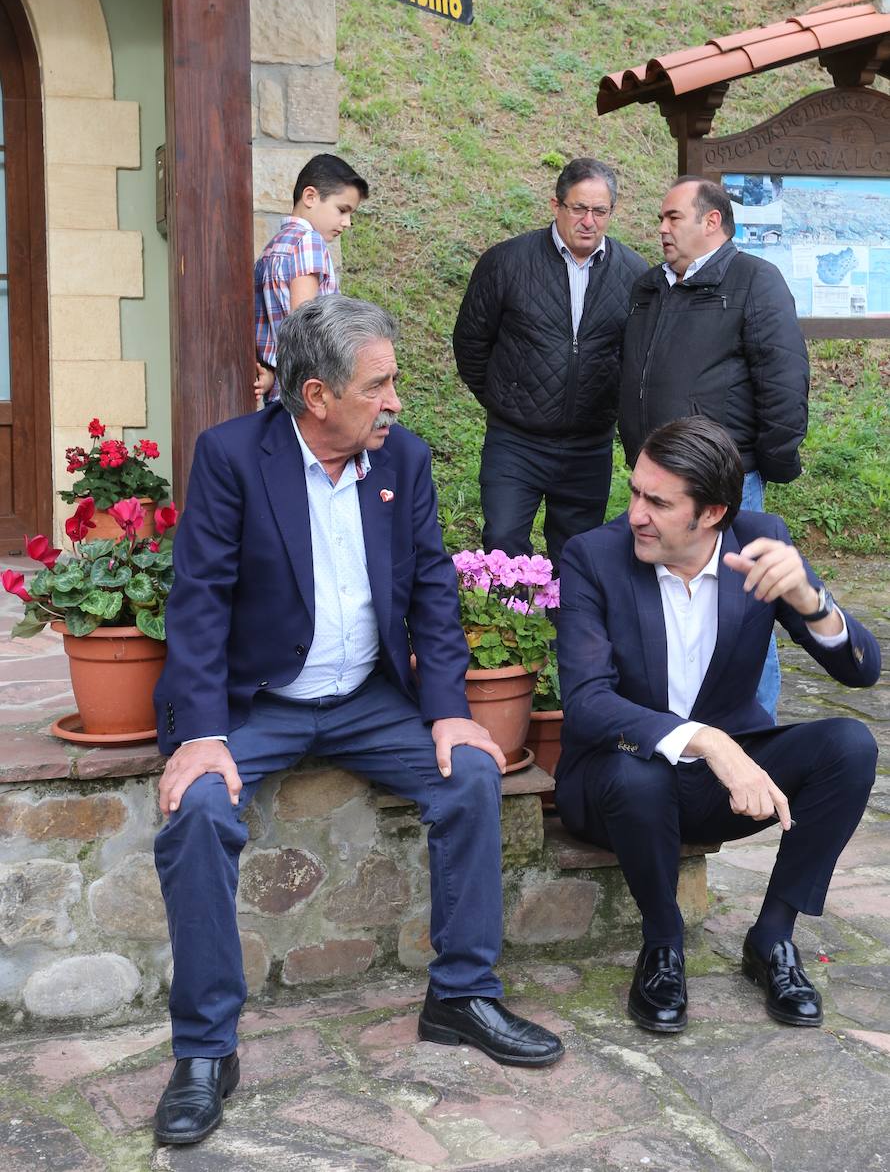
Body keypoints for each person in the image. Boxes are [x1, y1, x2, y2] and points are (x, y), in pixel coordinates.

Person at [152, 294, 563, 1146]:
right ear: (316, 397)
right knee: (196, 813)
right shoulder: (233, 457)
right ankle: (204, 1050)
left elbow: (433, 592)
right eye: (379, 386)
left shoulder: (400, 460)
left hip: (370, 701)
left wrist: (449, 712)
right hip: (260, 699)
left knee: (475, 774)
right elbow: (197, 604)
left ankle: (461, 996)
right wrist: (201, 734)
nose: (396, 401)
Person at [555, 416, 879, 1035]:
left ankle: (772, 939)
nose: (636, 515)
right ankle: (662, 946)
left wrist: (813, 601)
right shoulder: (593, 556)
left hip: (713, 790)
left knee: (850, 744)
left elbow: (863, 674)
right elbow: (588, 703)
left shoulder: (759, 542)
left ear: (713, 514)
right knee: (637, 772)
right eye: (634, 492)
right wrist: (709, 740)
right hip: (616, 786)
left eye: (658, 501)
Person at [618, 175, 810, 718]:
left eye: (673, 217)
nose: (660, 228)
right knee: (671, 606)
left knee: (742, 610)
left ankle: (755, 733)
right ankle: (682, 726)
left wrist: (765, 464)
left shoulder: (754, 280)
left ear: (712, 222)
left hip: (726, 484)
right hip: (659, 482)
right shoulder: (652, 286)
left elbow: (784, 379)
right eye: (661, 217)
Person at [453, 158, 646, 571]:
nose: (589, 221)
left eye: (600, 211)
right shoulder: (506, 262)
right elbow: (471, 341)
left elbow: (639, 358)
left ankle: (568, 634)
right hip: (516, 441)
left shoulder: (635, 275)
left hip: (588, 446)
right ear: (556, 205)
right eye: (579, 208)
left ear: (612, 212)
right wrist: (505, 398)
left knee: (577, 554)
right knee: (503, 542)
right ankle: (507, 630)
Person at [253, 152, 368, 401]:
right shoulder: (308, 242)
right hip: (309, 394)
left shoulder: (271, 249)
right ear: (310, 197)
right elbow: (304, 326)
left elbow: (269, 332)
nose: (347, 222)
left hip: (280, 391)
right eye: (342, 210)